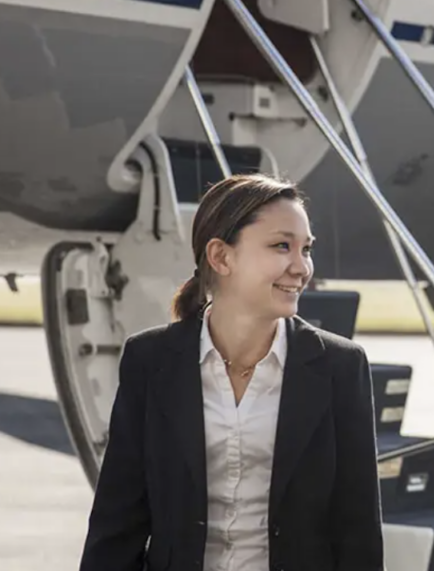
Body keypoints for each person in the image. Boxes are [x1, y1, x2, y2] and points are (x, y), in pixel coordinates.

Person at [78, 173, 384, 571]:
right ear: (221, 256)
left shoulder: (340, 367)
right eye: (281, 246)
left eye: (306, 249)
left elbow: (358, 529)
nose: (302, 267)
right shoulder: (150, 360)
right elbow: (117, 521)